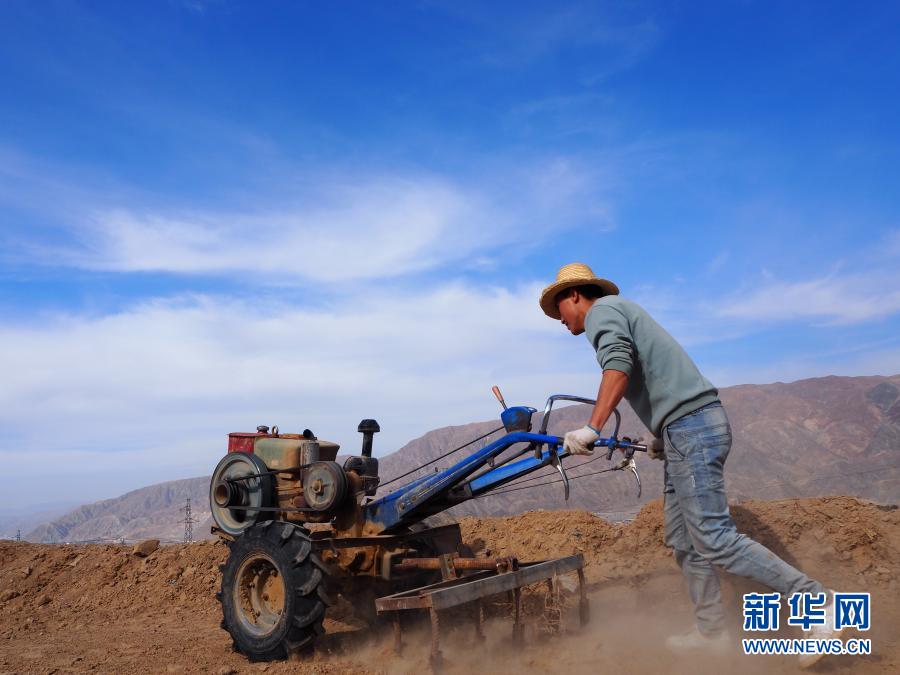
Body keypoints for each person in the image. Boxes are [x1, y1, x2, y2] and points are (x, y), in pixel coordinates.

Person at [540, 262, 840, 668]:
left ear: (574, 295)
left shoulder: (602, 313)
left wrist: (593, 427)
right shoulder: (623, 312)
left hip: (693, 427)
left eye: (558, 308)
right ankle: (712, 632)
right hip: (684, 429)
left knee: (713, 538)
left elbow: (618, 366)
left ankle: (820, 604)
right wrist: (662, 435)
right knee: (683, 539)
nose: (559, 319)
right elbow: (658, 376)